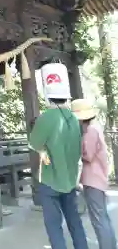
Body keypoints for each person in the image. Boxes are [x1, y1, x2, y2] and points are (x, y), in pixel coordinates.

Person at [30, 97, 89, 249]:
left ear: (50, 100)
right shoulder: (74, 119)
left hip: (50, 179)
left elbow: (34, 142)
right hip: (69, 178)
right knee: (74, 220)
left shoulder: (46, 117)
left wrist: (42, 150)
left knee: (53, 224)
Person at [71, 99, 117, 249]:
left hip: (93, 179)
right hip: (97, 178)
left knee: (98, 218)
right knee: (102, 217)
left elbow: (88, 155)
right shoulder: (94, 128)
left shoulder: (90, 131)